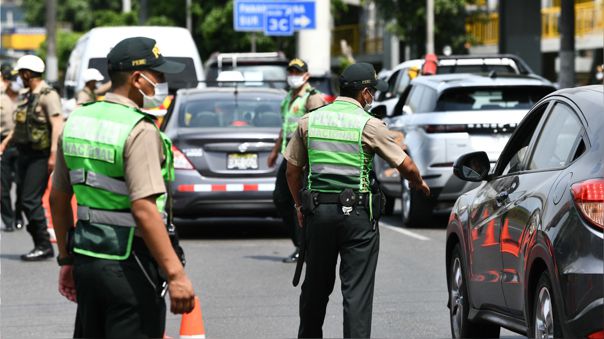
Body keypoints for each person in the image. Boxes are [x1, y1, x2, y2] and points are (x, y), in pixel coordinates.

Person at [50, 37, 195, 338]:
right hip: (131, 264)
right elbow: (144, 209)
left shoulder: (77, 121)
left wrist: (66, 260)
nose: (163, 82)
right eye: (159, 75)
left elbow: (58, 199)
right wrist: (176, 275)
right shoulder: (139, 129)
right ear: (137, 79)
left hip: (88, 260)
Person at [285, 63, 430, 338]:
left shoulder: (310, 121)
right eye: (372, 92)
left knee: (315, 288)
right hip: (358, 218)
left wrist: (298, 206)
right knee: (357, 293)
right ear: (364, 93)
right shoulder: (369, 124)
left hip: (318, 213)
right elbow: (406, 164)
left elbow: (291, 171)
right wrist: (418, 182)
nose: (372, 97)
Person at [0, 55, 63, 260]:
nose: (19, 77)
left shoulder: (48, 95)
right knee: (25, 198)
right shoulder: (27, 95)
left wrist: (53, 154)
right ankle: (40, 244)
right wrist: (6, 142)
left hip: (40, 156)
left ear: (27, 74)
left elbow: (57, 125)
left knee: (29, 200)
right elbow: (19, 127)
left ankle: (44, 244)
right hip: (24, 153)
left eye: (21, 73)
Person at [267, 58, 325, 263]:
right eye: (290, 71)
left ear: (306, 75)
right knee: (281, 198)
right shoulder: (289, 98)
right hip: (289, 154)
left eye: (297, 72)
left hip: (304, 157)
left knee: (296, 202)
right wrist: (275, 152)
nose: (293, 75)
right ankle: (301, 244)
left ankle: (304, 247)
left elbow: (318, 128)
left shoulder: (313, 98)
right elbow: (285, 128)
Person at [0, 63, 24, 232]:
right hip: (2, 145)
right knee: (3, 186)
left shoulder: (24, 97)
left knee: (23, 185)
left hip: (21, 144)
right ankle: (8, 220)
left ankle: (18, 215)